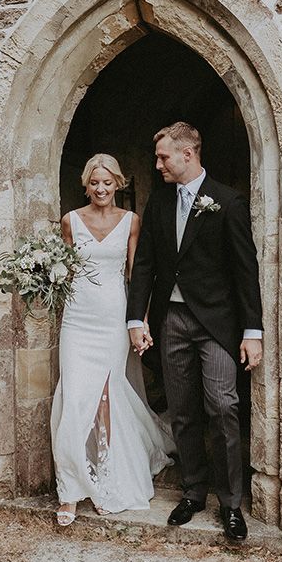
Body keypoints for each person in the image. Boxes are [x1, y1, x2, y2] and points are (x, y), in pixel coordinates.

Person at [126, 122, 263, 541]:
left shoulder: (227, 201)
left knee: (222, 407)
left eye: (164, 156)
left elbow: (245, 270)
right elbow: (146, 263)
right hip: (173, 321)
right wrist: (137, 318)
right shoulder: (161, 203)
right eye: (157, 157)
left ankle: (231, 503)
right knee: (183, 411)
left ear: (189, 154)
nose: (158, 163)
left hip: (217, 324)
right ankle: (193, 491)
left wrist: (252, 330)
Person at [51, 153, 174, 527]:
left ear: (117, 184)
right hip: (77, 318)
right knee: (74, 398)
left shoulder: (131, 222)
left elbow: (137, 276)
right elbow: (64, 268)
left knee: (104, 400)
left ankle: (103, 481)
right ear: (86, 185)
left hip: (113, 318)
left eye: (107, 182)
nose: (100, 189)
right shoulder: (70, 221)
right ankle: (69, 489)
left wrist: (141, 322)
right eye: (94, 183)